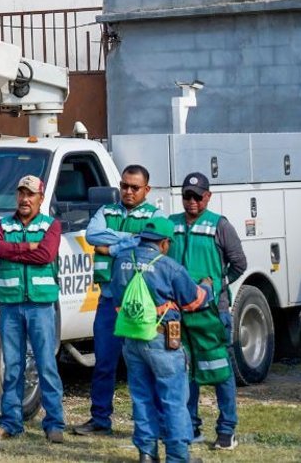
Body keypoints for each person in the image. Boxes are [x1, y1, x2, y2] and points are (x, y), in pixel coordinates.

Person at [109, 217, 212, 463]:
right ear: (164, 243)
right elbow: (193, 301)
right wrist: (207, 287)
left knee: (142, 396)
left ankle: (147, 453)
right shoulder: (169, 266)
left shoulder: (122, 260)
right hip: (163, 339)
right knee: (174, 399)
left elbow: (116, 300)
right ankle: (177, 456)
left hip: (132, 338)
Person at [75, 164, 163, 436]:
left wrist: (111, 247)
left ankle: (150, 425)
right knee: (104, 363)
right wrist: (131, 239)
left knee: (145, 365)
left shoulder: (154, 216)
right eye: (124, 185)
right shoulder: (106, 211)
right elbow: (92, 235)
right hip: (108, 301)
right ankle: (100, 420)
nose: (128, 191)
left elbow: (150, 241)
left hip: (139, 304)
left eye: (134, 187)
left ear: (146, 190)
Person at [0, 176, 66, 443]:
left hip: (40, 305)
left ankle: (54, 424)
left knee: (46, 365)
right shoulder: (2, 224)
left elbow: (46, 255)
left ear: (41, 198)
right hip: (10, 305)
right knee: (13, 366)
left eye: (30, 194)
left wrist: (13, 251)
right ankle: (10, 423)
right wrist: (26, 247)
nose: (25, 199)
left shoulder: (51, 225)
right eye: (21, 194)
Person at [169, 172, 246, 451]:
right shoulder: (171, 225)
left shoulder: (219, 225)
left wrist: (215, 285)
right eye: (187, 196)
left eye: (197, 197)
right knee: (185, 371)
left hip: (213, 313)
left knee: (220, 371)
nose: (191, 202)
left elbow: (239, 263)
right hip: (178, 314)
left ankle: (227, 430)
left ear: (208, 197)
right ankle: (190, 427)